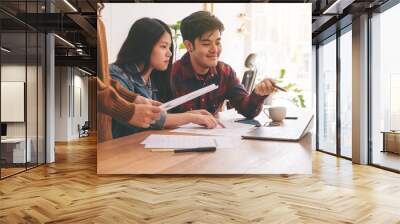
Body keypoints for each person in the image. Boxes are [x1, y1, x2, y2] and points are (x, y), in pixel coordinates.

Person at [109, 17, 220, 139]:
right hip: (119, 152)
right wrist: (190, 117)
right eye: (163, 46)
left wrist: (188, 115)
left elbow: (160, 117)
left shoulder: (154, 80)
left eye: (169, 47)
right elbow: (146, 118)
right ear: (144, 46)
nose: (169, 53)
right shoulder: (116, 75)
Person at [170, 11, 277, 118]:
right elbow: (159, 118)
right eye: (206, 44)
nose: (215, 50)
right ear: (189, 46)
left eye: (217, 42)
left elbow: (247, 110)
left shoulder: (224, 72)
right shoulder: (171, 74)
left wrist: (258, 93)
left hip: (215, 133)